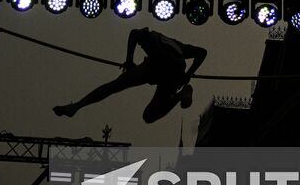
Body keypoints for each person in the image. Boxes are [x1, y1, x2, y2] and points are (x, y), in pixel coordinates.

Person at [53, 27, 207, 124]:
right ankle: (180, 95)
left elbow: (134, 33)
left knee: (114, 86)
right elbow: (202, 52)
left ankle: (76, 106)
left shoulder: (153, 36)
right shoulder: (180, 47)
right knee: (149, 116)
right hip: (176, 71)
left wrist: (129, 60)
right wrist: (188, 74)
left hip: (156, 64)